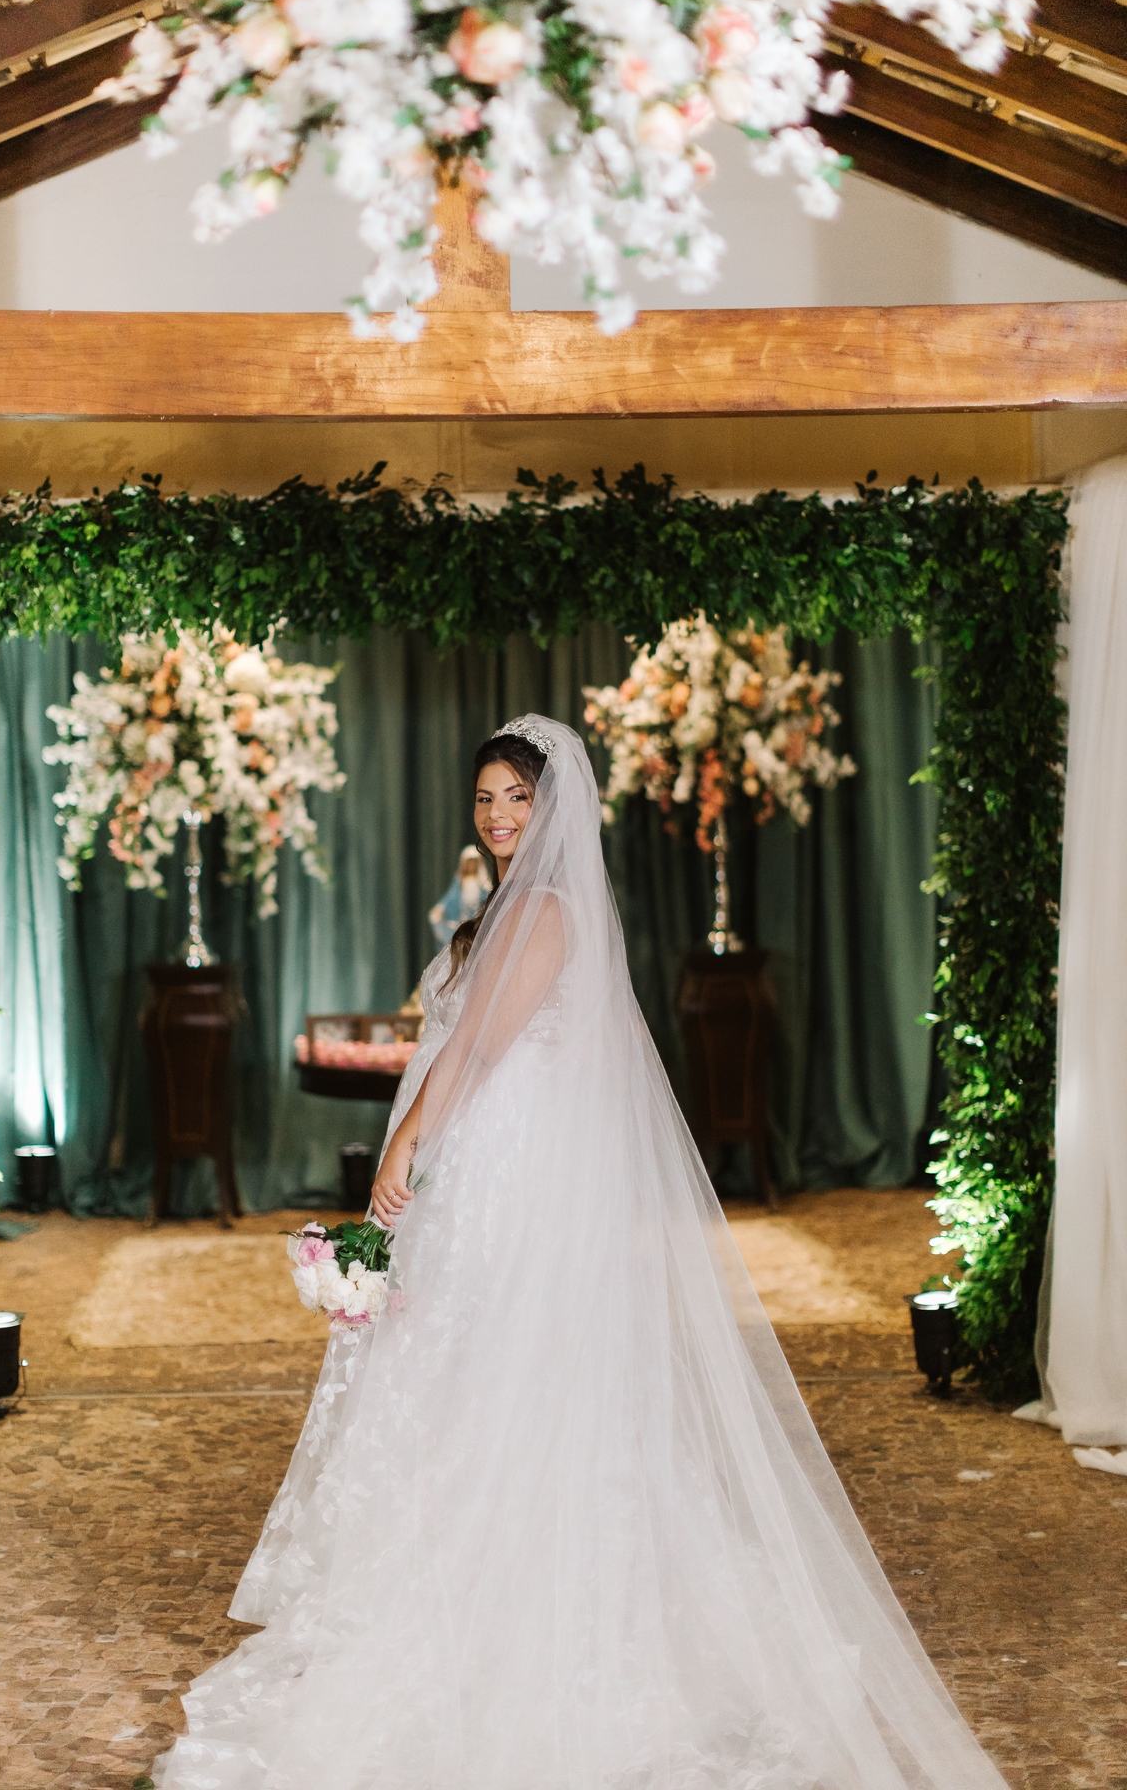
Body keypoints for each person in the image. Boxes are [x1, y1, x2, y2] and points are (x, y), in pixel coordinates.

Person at [153, 716, 1009, 1790]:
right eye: (485, 798)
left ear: (554, 807)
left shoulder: (548, 912)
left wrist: (405, 1141)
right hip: (487, 1170)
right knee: (473, 1378)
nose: (497, 815)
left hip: (513, 1177)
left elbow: (478, 1048)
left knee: (510, 1379)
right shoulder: (513, 910)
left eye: (517, 797)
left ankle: (520, 1618)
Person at [427, 842, 493, 952]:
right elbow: (448, 902)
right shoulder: (458, 885)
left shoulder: (483, 887)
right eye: (469, 863)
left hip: (476, 931)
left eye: (474, 863)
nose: (471, 866)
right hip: (458, 928)